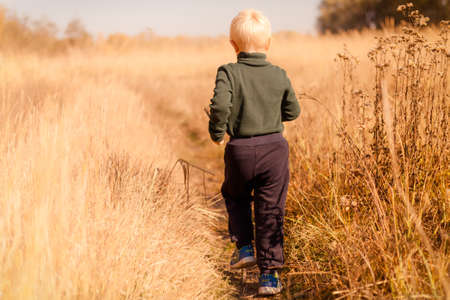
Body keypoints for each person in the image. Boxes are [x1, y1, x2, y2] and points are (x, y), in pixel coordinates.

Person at [208, 9, 300, 296]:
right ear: (269, 43)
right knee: (271, 208)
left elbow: (221, 106)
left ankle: (245, 246)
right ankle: (269, 277)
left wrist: (217, 132)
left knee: (235, 194)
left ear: (233, 45)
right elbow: (293, 111)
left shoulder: (228, 72)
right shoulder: (279, 74)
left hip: (240, 150)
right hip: (275, 150)